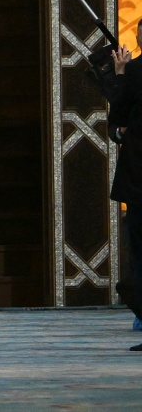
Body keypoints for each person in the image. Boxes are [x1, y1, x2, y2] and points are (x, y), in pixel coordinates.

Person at [91, 19, 142, 350]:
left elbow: (119, 113)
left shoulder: (134, 72)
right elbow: (117, 125)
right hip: (139, 172)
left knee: (140, 245)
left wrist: (119, 74)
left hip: (140, 173)